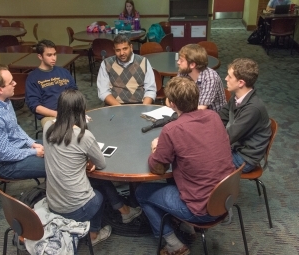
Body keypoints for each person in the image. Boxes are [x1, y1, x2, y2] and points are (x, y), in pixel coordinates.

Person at [135, 76, 235, 255]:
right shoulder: (214, 116)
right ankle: (187, 227)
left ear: (171, 104)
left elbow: (158, 168)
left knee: (141, 192)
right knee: (177, 177)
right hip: (225, 198)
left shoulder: (172, 129)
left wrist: (155, 150)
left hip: (201, 209)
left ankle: (174, 244)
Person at [43, 89, 142, 245]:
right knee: (98, 196)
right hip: (75, 207)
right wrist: (89, 160)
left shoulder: (47, 128)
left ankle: (124, 210)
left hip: (53, 202)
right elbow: (101, 163)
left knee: (98, 181)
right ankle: (94, 234)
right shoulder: (84, 136)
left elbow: (49, 121)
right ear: (81, 110)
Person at [0, 65, 46, 180]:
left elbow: (15, 128)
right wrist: (33, 152)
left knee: (61, 147)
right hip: (7, 164)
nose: (15, 83)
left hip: (19, 147)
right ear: (0, 90)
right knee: (59, 165)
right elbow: (5, 154)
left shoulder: (4, 100)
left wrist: (31, 143)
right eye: (11, 82)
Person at [218, 58, 271, 173]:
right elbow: (221, 117)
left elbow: (229, 137)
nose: (226, 79)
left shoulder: (253, 109)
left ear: (241, 83)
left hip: (244, 158)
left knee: (200, 159)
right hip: (235, 148)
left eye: (230, 77)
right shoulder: (237, 97)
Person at [25, 39, 78, 127]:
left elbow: (74, 92)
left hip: (69, 110)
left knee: (88, 128)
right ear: (40, 56)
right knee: (63, 133)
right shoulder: (32, 78)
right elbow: (35, 106)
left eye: (54, 54)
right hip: (49, 115)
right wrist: (57, 114)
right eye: (49, 55)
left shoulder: (63, 72)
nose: (53, 58)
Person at [97, 34, 156, 106]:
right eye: (118, 50)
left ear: (131, 47)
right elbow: (103, 92)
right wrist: (120, 108)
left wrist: (143, 108)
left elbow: (150, 90)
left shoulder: (144, 62)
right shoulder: (106, 64)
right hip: (115, 105)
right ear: (114, 50)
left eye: (125, 49)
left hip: (140, 104)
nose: (122, 53)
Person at [177, 44, 226, 112]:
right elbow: (173, 97)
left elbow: (201, 108)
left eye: (181, 60)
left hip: (212, 117)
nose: (178, 62)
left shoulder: (210, 78)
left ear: (192, 65)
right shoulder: (183, 72)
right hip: (189, 111)